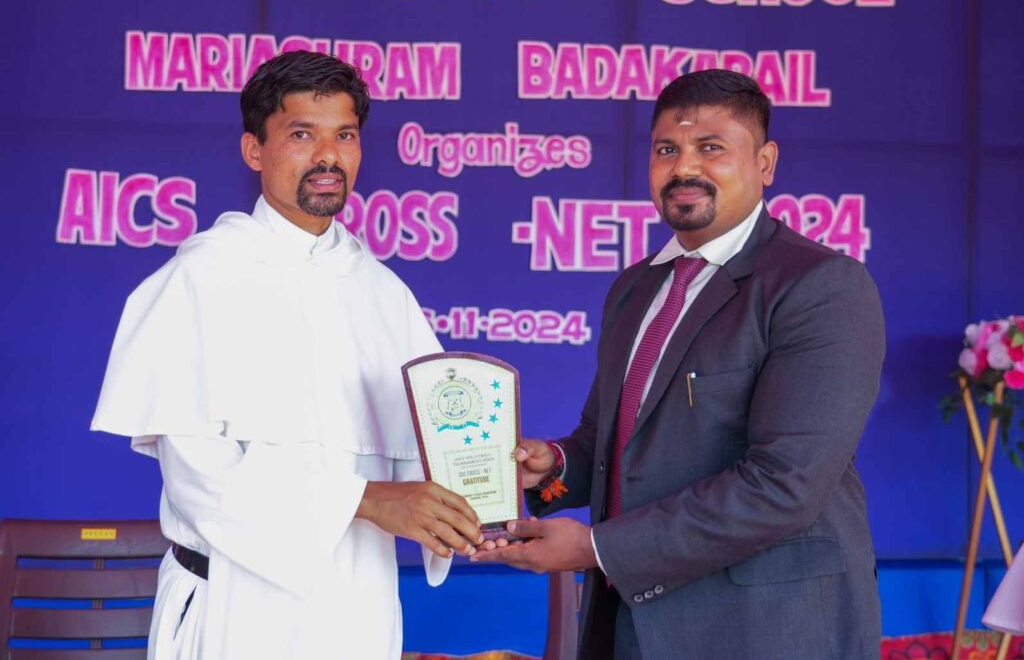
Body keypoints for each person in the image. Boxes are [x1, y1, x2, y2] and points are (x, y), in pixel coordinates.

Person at [473, 69, 885, 660]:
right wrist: (551, 467)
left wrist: (596, 549)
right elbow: (610, 441)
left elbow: (783, 484)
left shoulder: (819, 286)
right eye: (667, 149)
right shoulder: (635, 288)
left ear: (765, 163)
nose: (683, 167)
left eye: (711, 148)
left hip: (765, 630)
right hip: (630, 625)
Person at [92, 50, 485, 660]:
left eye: (345, 135)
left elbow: (434, 446)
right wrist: (368, 500)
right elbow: (200, 478)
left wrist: (481, 480)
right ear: (254, 150)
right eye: (303, 134)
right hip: (236, 607)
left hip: (362, 605)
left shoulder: (384, 294)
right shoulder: (200, 278)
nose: (328, 156)